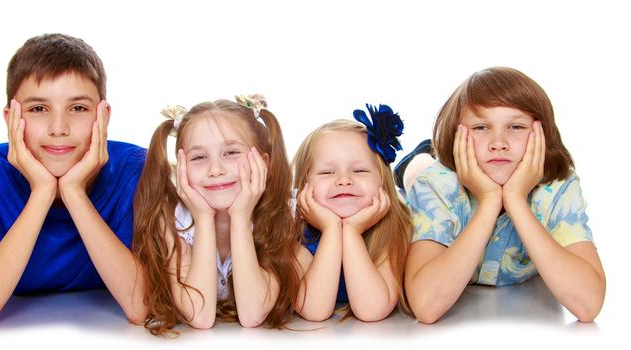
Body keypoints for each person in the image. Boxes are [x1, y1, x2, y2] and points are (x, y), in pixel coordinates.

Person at [0, 33, 146, 328]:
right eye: (38, 109)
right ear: (10, 119)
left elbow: (141, 307)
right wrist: (42, 191)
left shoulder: (134, 168)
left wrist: (73, 192)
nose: (58, 128)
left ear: (103, 116)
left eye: (78, 108)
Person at [402, 67, 605, 323]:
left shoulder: (559, 187)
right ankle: (418, 156)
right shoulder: (435, 185)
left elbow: (588, 305)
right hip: (427, 173)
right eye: (480, 127)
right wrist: (489, 201)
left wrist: (515, 200)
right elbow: (426, 306)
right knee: (417, 170)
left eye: (516, 126)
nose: (499, 142)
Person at [131, 96, 300, 335]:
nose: (215, 170)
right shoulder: (170, 219)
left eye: (231, 153)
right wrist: (203, 218)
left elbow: (253, 315)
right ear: (181, 167)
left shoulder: (282, 213)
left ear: (262, 162)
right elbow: (199, 315)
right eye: (199, 157)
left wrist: (240, 217)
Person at [292, 105, 412, 322]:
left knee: (418, 179)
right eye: (327, 172)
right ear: (303, 186)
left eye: (360, 171)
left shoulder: (392, 228)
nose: (344, 180)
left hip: (411, 192)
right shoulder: (299, 233)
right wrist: (330, 230)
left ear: (383, 182)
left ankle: (416, 161)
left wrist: (352, 231)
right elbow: (314, 310)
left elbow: (373, 310)